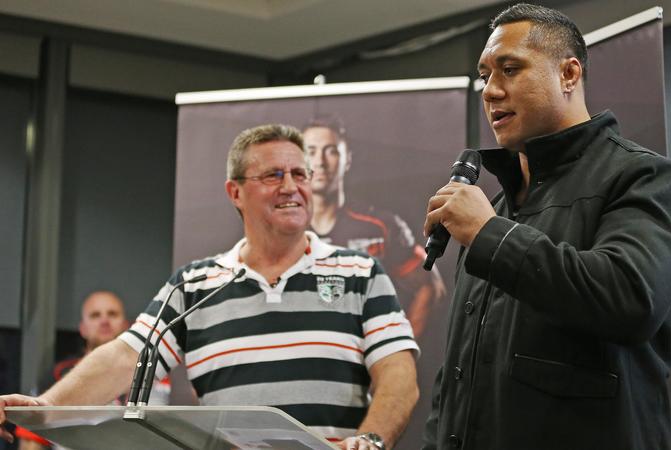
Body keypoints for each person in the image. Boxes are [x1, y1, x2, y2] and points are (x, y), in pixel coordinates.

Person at [1, 124, 418, 450]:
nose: (291, 186)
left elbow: (398, 375)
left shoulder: (360, 271)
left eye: (299, 173)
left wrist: (373, 440)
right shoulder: (195, 284)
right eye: (273, 175)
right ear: (235, 192)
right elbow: (125, 358)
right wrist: (47, 407)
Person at [422, 4, 671, 450]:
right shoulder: (494, 207)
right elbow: (459, 373)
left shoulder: (643, 177)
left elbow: (630, 298)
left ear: (569, 74)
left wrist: (490, 235)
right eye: (485, 75)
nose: (490, 91)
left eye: (510, 69)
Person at [303, 117, 446, 337]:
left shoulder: (380, 227)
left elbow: (430, 285)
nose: (320, 161)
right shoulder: (282, 230)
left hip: (366, 361)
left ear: (347, 159)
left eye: (331, 151)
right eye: (311, 152)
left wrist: (401, 349)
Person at [15, 291, 170, 449]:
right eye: (95, 315)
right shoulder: (59, 375)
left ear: (127, 325)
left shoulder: (156, 374)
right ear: (83, 328)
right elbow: (30, 441)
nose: (104, 321)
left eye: (112, 314)